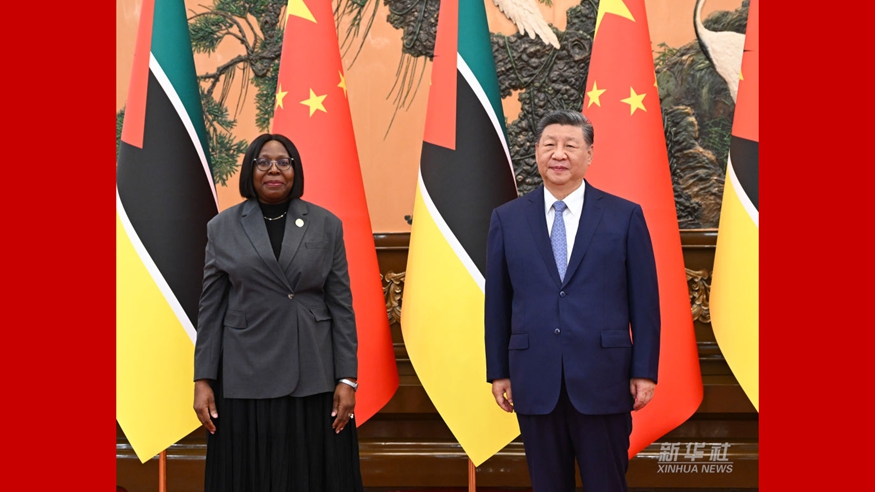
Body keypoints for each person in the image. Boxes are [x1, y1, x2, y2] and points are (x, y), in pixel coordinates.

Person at [484, 110, 660, 492]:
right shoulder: (507, 219)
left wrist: (645, 371)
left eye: (570, 145)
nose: (559, 154)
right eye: (549, 145)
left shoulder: (624, 216)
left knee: (606, 484)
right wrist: (498, 370)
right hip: (535, 379)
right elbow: (497, 303)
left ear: (590, 154)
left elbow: (645, 301)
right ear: (536, 152)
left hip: (604, 379)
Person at [193, 133, 363, 491]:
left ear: (295, 170)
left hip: (312, 373)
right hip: (245, 375)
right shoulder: (222, 227)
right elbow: (210, 309)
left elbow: (341, 306)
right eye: (264, 162)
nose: (274, 170)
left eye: (283, 162)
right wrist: (202, 379)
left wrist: (347, 379)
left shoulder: (326, 224)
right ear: (250, 170)